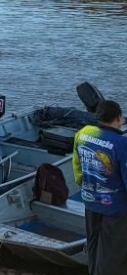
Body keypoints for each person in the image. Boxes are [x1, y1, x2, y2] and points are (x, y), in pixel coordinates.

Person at [73, 99, 127, 275]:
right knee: (113, 254)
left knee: (93, 245)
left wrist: (87, 188)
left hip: (90, 201)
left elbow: (77, 168)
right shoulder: (121, 144)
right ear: (118, 118)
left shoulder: (83, 134)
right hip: (115, 208)